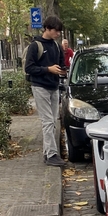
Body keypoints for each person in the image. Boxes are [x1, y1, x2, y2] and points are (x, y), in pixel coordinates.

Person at [24, 15, 67, 167]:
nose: (58, 34)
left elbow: (61, 64)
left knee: (53, 121)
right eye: (56, 31)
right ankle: (51, 155)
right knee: (48, 121)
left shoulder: (56, 46)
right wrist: (48, 69)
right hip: (40, 86)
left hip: (54, 86)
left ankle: (48, 152)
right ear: (47, 29)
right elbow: (29, 68)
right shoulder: (35, 46)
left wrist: (62, 71)